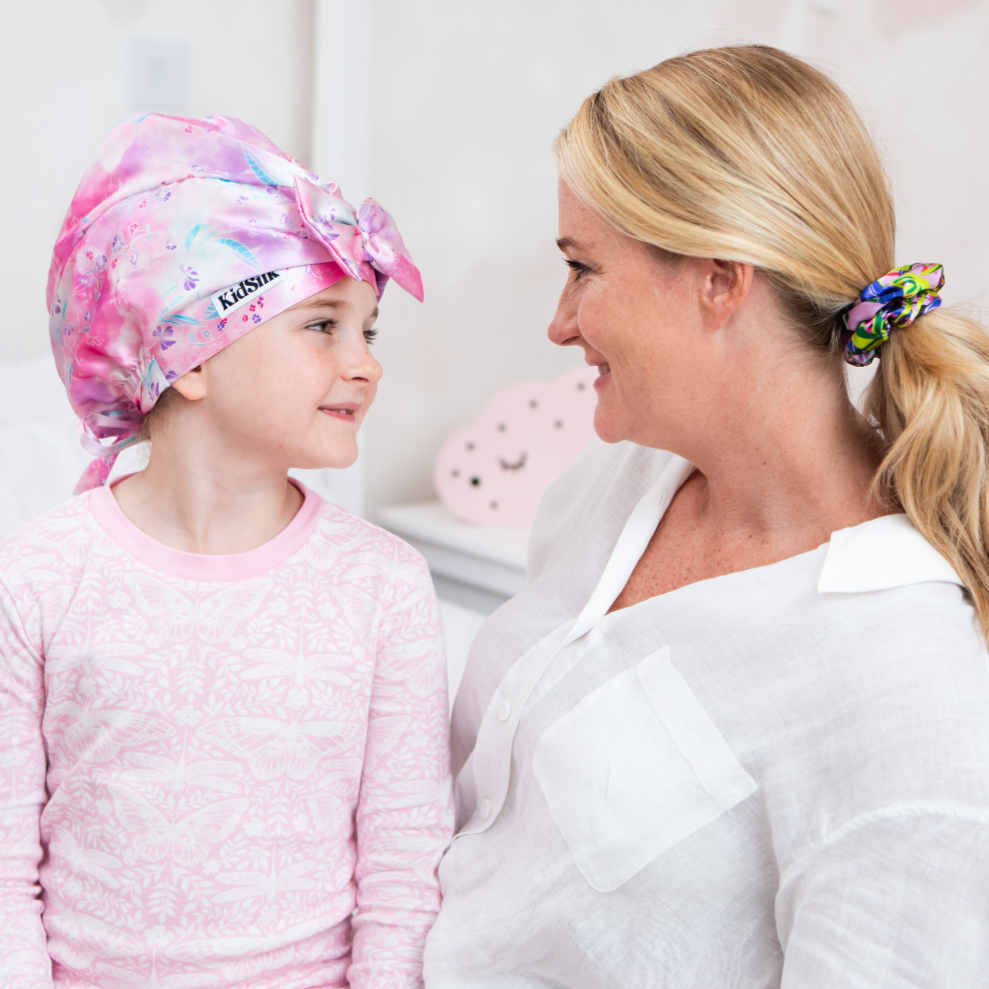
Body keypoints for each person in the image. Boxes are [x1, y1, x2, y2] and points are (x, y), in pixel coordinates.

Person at [424, 45, 989, 987]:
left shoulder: (905, 695)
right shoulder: (612, 490)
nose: (560, 323)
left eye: (581, 269)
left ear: (720, 279)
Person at [0, 114, 453, 988]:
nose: (366, 365)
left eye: (369, 330)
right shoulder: (40, 577)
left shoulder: (383, 585)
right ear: (187, 355)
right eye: (322, 326)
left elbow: (403, 875)